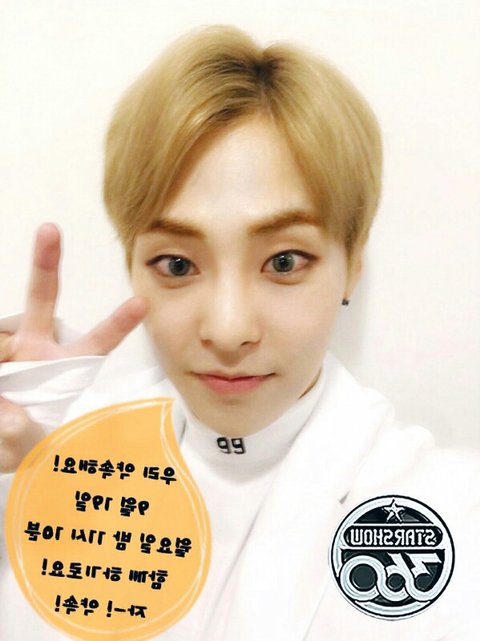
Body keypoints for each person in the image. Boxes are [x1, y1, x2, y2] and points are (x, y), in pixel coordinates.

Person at [0, 24, 478, 641]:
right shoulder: (53, 453)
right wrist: (20, 482)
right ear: (132, 266)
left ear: (353, 264)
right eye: (177, 265)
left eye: (284, 261)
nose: (228, 331)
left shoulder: (449, 512)